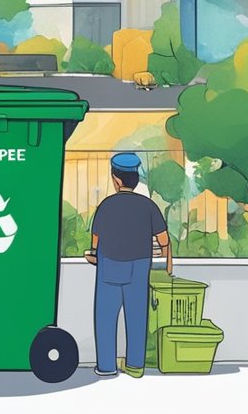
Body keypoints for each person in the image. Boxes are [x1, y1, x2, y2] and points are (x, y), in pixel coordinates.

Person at [86, 152, 172, 379]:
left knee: (105, 318)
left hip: (110, 268)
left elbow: (95, 244)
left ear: (116, 179)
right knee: (137, 317)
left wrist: (93, 256)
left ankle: (106, 366)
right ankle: (135, 366)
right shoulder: (148, 206)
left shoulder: (106, 206)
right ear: (136, 178)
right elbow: (164, 241)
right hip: (138, 269)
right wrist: (168, 267)